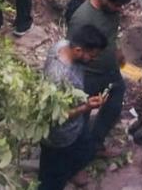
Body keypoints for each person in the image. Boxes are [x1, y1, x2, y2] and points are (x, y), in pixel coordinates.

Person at [67, 0, 132, 155]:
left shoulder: (112, 11)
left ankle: (95, 143)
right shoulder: (82, 19)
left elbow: (112, 34)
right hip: (89, 75)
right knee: (81, 118)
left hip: (110, 71)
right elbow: (73, 51)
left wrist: (117, 52)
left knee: (114, 103)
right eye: (117, 5)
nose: (120, 9)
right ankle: (75, 158)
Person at [39, 24, 109, 190]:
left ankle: (69, 173)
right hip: (59, 137)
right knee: (52, 180)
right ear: (78, 50)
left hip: (76, 126)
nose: (93, 60)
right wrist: (85, 108)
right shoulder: (59, 77)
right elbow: (55, 116)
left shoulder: (62, 45)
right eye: (91, 56)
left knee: (87, 150)